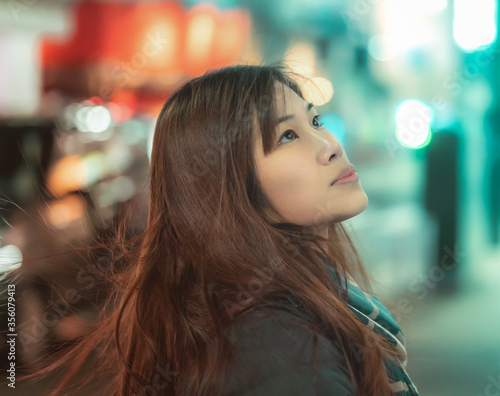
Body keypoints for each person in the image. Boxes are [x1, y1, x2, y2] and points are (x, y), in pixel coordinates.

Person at [20, 64, 419, 396]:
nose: (330, 144)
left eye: (315, 120)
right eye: (288, 135)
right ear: (227, 187)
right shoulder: (276, 345)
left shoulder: (293, 306)